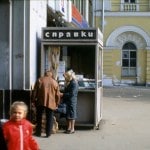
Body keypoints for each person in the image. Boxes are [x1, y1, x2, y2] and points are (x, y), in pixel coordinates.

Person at [32, 70, 61, 137]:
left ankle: (38, 132)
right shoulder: (54, 82)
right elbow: (58, 95)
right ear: (51, 75)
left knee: (39, 118)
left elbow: (34, 92)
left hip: (40, 102)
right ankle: (48, 133)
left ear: (45, 74)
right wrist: (57, 103)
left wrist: (33, 100)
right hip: (51, 103)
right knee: (50, 118)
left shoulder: (39, 80)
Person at [61, 70, 79, 134]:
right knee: (68, 114)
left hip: (72, 101)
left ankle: (72, 129)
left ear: (69, 76)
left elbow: (72, 94)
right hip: (68, 100)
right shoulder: (69, 82)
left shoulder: (74, 83)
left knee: (72, 114)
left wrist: (63, 94)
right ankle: (68, 128)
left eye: (66, 77)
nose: (65, 78)